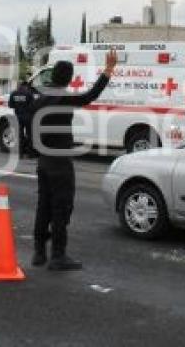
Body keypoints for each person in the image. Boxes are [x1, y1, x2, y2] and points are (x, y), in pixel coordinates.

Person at [30, 49, 117, 271]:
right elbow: (90, 95)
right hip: (60, 162)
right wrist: (108, 70)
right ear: (68, 78)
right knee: (61, 208)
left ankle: (39, 252)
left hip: (43, 161)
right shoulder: (63, 98)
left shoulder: (40, 99)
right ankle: (58, 255)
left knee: (44, 206)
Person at [8, 80, 36, 155]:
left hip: (18, 116)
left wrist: (18, 107)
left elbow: (10, 105)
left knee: (19, 135)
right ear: (25, 86)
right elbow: (33, 105)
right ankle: (30, 153)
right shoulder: (29, 93)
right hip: (28, 116)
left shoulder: (13, 93)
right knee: (29, 134)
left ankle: (20, 153)